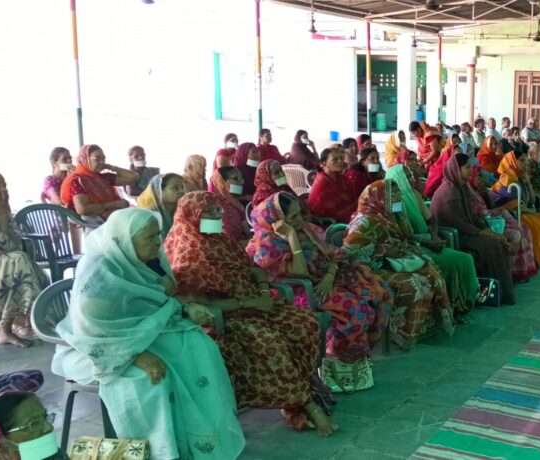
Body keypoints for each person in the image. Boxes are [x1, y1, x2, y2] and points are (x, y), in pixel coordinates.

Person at [51, 208, 245, 459]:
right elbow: (90, 329)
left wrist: (188, 308)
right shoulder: (101, 270)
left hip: (139, 334)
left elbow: (161, 300)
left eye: (158, 235)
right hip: (99, 347)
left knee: (198, 346)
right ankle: (161, 451)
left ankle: (201, 440)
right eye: (150, 237)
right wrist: (135, 356)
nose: (158, 242)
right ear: (124, 241)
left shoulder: (147, 261)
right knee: (152, 378)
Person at [165, 192, 338, 429]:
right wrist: (250, 304)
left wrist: (264, 293)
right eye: (209, 212)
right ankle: (307, 404)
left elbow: (255, 270)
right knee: (270, 341)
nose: (217, 216)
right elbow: (203, 303)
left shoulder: (222, 240)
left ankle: (302, 391)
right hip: (227, 316)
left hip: (256, 302)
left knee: (305, 323)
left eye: (217, 210)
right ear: (192, 217)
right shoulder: (188, 253)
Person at [247, 193, 392, 392]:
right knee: (355, 310)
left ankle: (356, 362)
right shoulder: (267, 245)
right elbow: (300, 271)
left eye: (300, 214)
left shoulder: (308, 230)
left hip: (326, 280)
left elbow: (336, 256)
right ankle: (340, 367)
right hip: (298, 290)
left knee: (380, 293)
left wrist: (329, 276)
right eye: (293, 218)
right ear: (276, 221)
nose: (300, 220)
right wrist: (291, 236)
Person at [345, 180, 452, 350]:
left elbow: (405, 237)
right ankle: (403, 333)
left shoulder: (392, 216)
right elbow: (350, 253)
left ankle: (427, 326)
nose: (398, 198)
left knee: (431, 271)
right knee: (415, 283)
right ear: (380, 198)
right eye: (392, 195)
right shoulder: (364, 222)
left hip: (393, 262)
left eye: (398, 194)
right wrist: (385, 250)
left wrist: (405, 247)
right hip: (370, 269)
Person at [385, 165, 480, 315]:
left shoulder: (414, 195)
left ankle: (462, 302)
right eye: (407, 176)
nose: (412, 179)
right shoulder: (395, 202)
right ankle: (450, 305)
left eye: (411, 175)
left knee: (465, 259)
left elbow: (431, 219)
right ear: (398, 179)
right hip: (412, 247)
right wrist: (428, 243)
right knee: (453, 261)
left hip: (428, 241)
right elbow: (401, 233)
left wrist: (434, 235)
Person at [431, 154, 516, 304]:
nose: (471, 170)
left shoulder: (462, 188)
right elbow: (460, 224)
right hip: (456, 236)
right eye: (467, 167)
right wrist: (487, 234)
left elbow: (473, 218)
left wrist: (490, 232)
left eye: (471, 166)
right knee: (492, 244)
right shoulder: (449, 192)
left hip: (466, 232)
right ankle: (498, 292)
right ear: (456, 169)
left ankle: (500, 291)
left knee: (499, 241)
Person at [0, 172, 48, 348]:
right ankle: (15, 325)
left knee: (23, 262)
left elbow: (14, 244)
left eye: (4, 186)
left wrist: (3, 215)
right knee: (19, 260)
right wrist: (1, 216)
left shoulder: (1, 211)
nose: (3, 190)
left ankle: (14, 325)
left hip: (1, 265)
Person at [468, 166, 538, 283]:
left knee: (524, 229)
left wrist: (486, 193)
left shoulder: (479, 191)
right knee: (515, 234)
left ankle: (524, 270)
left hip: (495, 221)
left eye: (481, 176)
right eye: (478, 176)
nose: (481, 179)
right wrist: (501, 210)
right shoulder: (469, 193)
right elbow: (482, 214)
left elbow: (492, 205)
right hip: (487, 226)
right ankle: (511, 273)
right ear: (471, 177)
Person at [491, 151, 540, 268]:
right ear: (512, 162)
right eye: (522, 160)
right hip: (513, 216)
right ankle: (535, 260)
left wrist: (528, 183)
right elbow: (513, 205)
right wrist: (531, 211)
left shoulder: (519, 177)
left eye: (525, 160)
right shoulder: (507, 180)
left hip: (523, 211)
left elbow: (531, 201)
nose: (525, 163)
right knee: (536, 225)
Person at [60, 144, 138, 221]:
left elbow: (133, 177)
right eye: (96, 158)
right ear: (85, 159)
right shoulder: (78, 180)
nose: (101, 161)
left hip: (113, 216)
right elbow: (82, 209)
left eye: (103, 158)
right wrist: (114, 204)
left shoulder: (102, 178)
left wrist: (110, 167)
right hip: (97, 222)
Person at [0, 391, 63, 460]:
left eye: (45, 416)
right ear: (1, 439)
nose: (49, 427)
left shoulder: (53, 455)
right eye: (34, 424)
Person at [309, 148, 360, 224]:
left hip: (352, 216)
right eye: (335, 159)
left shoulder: (343, 179)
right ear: (324, 164)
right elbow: (324, 213)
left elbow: (354, 200)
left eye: (341, 158)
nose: (340, 161)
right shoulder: (322, 183)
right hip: (331, 224)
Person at [209, 166, 251, 244]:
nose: (242, 182)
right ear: (221, 182)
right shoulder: (209, 206)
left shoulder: (235, 203)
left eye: (241, 178)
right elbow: (211, 240)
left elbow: (247, 231)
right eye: (236, 178)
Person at [136, 173, 186, 239]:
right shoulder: (150, 216)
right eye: (176, 188)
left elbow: (199, 231)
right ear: (159, 190)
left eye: (182, 187)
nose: (182, 191)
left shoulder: (183, 210)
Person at [424, 134, 458, 198]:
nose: (457, 143)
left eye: (458, 141)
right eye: (454, 142)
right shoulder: (439, 170)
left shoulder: (454, 166)